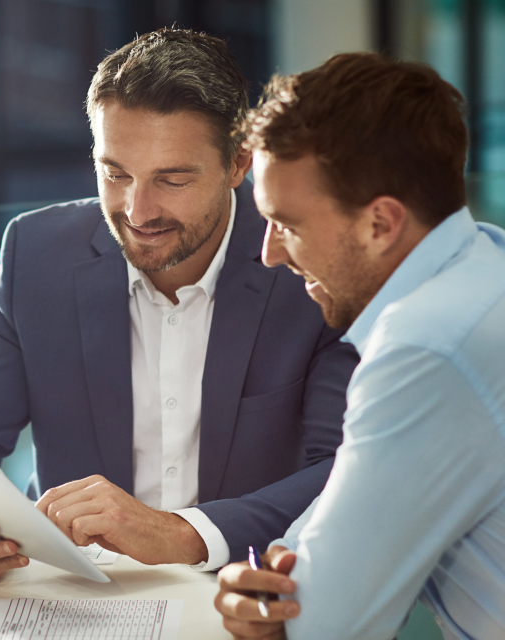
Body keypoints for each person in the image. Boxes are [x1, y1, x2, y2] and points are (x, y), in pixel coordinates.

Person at [0, 29, 358, 585]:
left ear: (238, 165)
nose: (137, 210)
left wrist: (183, 533)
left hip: (242, 589)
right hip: (72, 594)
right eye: (115, 174)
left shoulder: (307, 267)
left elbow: (345, 470)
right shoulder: (36, 255)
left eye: (173, 179)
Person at [214, 52, 505, 640]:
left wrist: (274, 603)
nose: (271, 254)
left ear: (381, 224)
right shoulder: (486, 260)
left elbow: (321, 625)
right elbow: (320, 540)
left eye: (288, 224)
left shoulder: (425, 349)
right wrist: (273, 572)